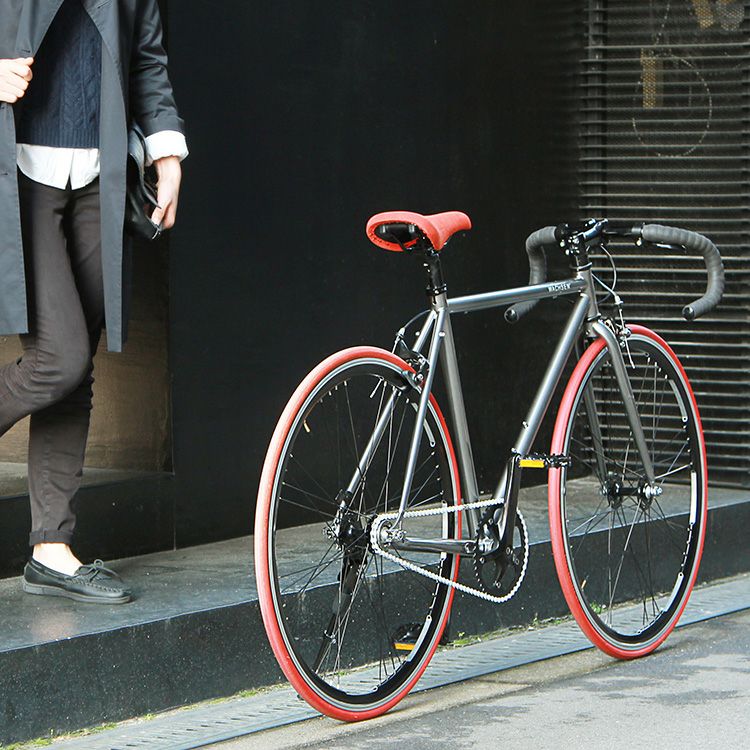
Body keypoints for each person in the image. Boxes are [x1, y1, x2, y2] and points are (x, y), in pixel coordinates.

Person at [0, 0, 187, 604]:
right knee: (60, 358)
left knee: (76, 368)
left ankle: (51, 548)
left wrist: (166, 152)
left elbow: (146, 56)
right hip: (17, 169)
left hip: (101, 174)